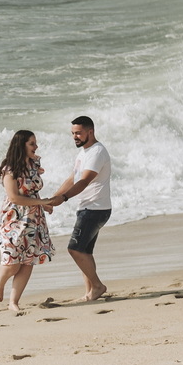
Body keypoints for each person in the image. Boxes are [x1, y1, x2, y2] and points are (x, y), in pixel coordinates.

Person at [49, 115, 112, 302]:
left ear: (90, 132)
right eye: (72, 133)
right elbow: (72, 179)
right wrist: (53, 199)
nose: (74, 137)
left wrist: (64, 198)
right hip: (89, 207)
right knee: (84, 252)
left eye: (78, 133)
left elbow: (84, 181)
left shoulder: (97, 152)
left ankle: (98, 286)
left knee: (75, 249)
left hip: (95, 209)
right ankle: (90, 292)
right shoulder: (84, 152)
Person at [0, 129, 56, 311]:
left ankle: (13, 302)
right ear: (21, 145)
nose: (36, 146)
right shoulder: (9, 169)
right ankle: (0, 283)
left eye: (35, 143)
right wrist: (41, 202)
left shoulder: (34, 164)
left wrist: (43, 205)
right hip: (13, 219)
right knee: (12, 263)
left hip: (34, 219)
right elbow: (14, 197)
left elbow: (33, 190)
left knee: (28, 261)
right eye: (32, 143)